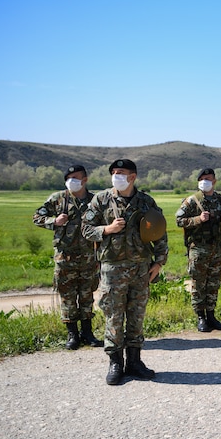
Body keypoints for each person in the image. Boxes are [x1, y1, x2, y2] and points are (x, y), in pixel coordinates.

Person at [81, 159, 168, 385]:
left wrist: (159, 262)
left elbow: (160, 232)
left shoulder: (146, 201)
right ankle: (115, 363)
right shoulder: (101, 199)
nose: (116, 176)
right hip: (112, 268)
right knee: (114, 315)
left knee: (137, 315)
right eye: (113, 172)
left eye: (121, 172)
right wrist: (107, 229)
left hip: (141, 268)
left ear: (132, 177)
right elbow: (86, 229)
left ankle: (135, 362)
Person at [33, 165, 102, 350]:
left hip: (89, 258)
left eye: (76, 177)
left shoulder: (95, 200)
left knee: (87, 297)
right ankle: (72, 335)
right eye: (69, 177)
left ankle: (87, 333)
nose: (72, 181)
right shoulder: (58, 199)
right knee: (68, 298)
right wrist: (53, 221)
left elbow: (104, 224)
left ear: (85, 179)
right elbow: (37, 217)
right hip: (65, 258)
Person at [175, 168, 221, 332]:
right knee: (198, 283)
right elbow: (179, 220)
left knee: (214, 283)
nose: (204, 181)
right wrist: (197, 219)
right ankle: (200, 317)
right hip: (198, 248)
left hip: (217, 248)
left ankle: (211, 315)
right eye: (201, 179)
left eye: (208, 178)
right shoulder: (192, 201)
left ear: (214, 181)